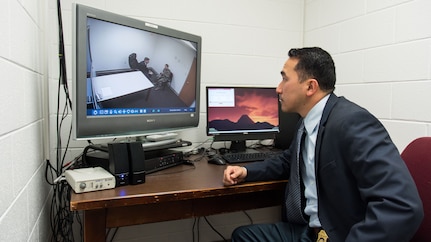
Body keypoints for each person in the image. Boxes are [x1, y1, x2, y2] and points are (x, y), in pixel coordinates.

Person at [223, 47, 424, 242]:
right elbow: (289, 160)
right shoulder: (307, 121)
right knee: (243, 235)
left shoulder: (353, 123)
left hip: (339, 234)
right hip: (310, 230)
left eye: (285, 78)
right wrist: (246, 172)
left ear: (310, 87)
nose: (278, 88)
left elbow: (401, 206)